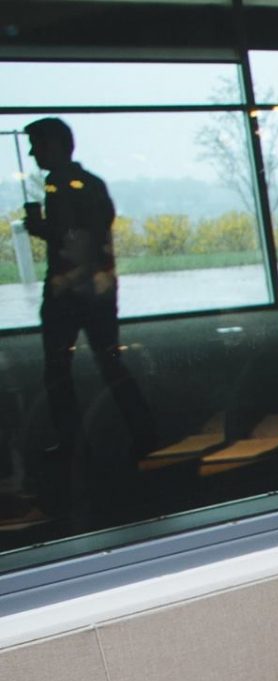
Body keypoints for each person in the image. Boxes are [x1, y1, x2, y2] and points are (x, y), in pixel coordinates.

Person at [22, 117, 157, 462]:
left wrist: (43, 230)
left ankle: (75, 442)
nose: (33, 153)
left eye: (37, 145)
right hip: (95, 290)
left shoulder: (67, 187)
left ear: (55, 146)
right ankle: (142, 432)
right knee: (108, 363)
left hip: (72, 290)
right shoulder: (82, 184)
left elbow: (81, 239)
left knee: (60, 368)